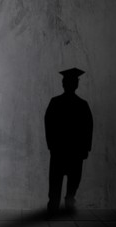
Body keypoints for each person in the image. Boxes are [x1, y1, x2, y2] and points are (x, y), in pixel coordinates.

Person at [44, 68, 93, 214]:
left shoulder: (56, 102)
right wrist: (85, 149)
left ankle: (56, 207)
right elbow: (87, 128)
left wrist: (52, 146)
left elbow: (49, 125)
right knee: (70, 182)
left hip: (62, 150)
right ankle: (65, 205)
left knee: (58, 182)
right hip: (72, 151)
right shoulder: (81, 105)